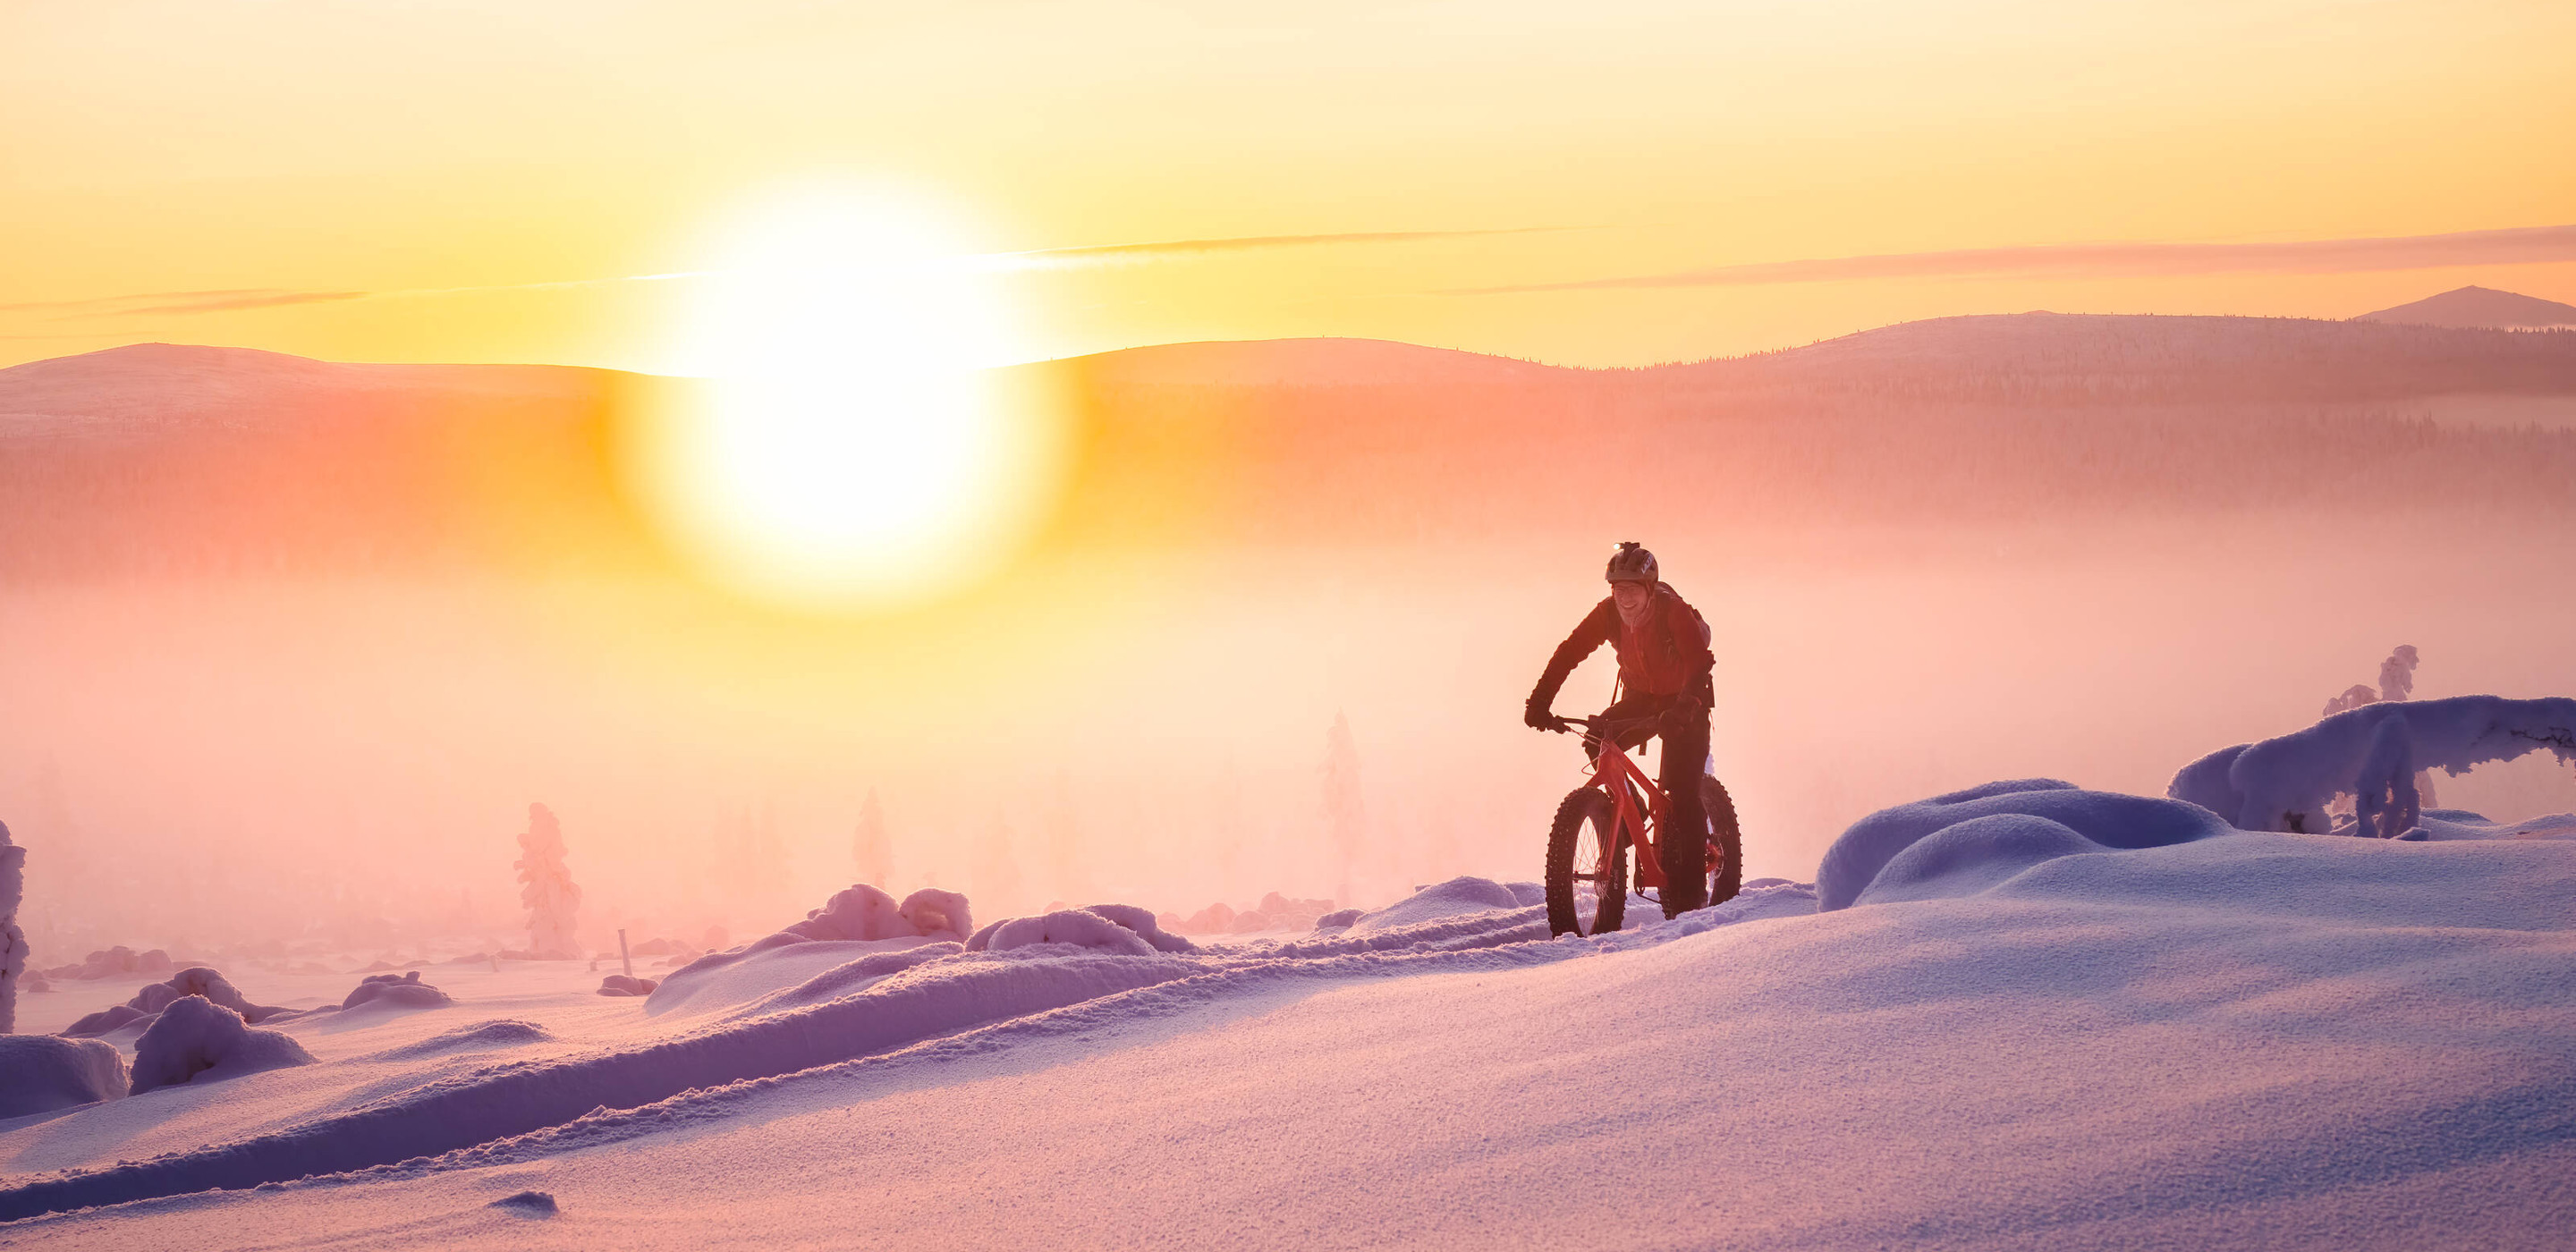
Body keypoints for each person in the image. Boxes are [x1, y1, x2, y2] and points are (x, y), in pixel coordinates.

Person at [1522, 542, 1716, 917]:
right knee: (1598, 737)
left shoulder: (1672, 611)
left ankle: (1691, 899)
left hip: (1686, 700)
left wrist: (1684, 709)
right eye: (1617, 589)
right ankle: (1632, 818)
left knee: (1682, 792)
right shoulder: (1608, 614)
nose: (1624, 598)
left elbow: (1700, 662)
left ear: (1649, 589)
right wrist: (1539, 702)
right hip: (1643, 697)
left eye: (1632, 590)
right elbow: (1569, 652)